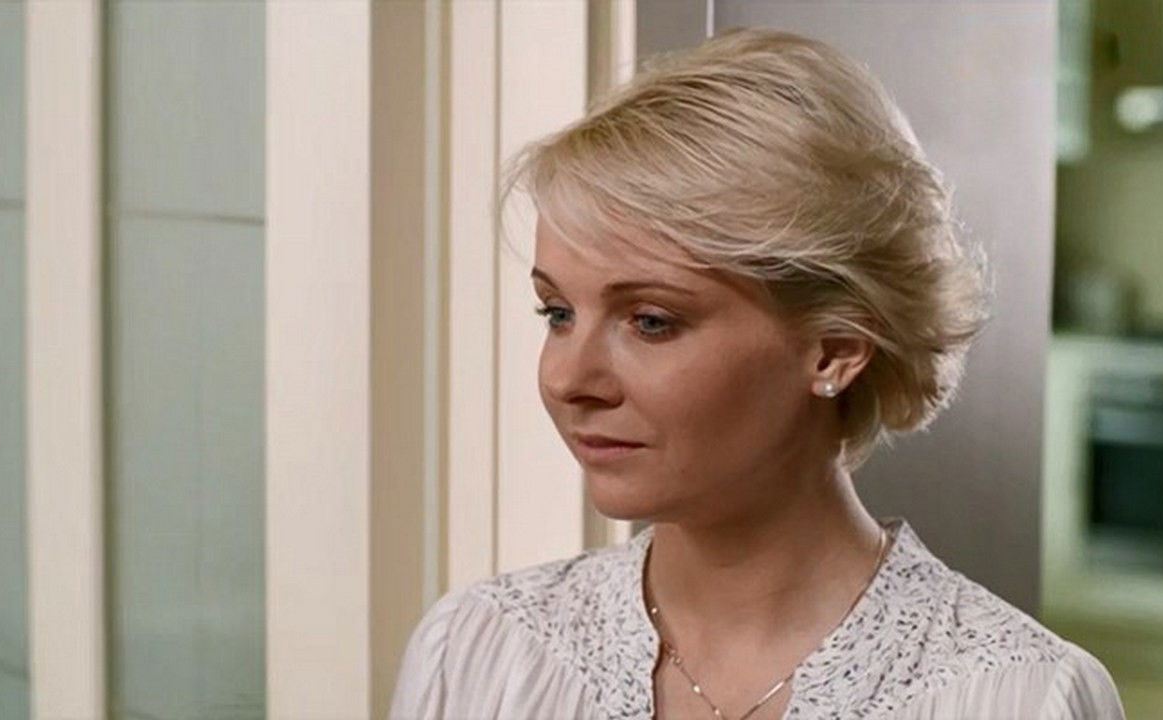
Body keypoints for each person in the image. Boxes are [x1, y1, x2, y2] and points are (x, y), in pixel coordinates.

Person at [390, 27, 1125, 720]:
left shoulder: (1020, 697)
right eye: (557, 313)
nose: (569, 379)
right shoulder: (479, 656)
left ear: (835, 349)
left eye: (651, 321)